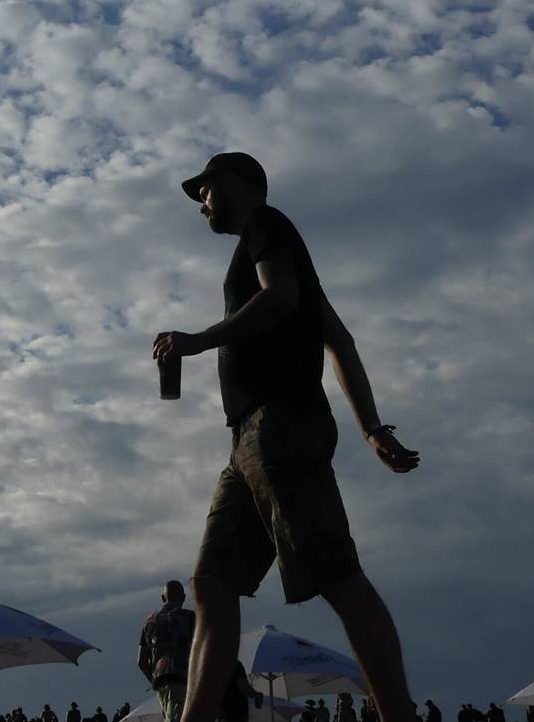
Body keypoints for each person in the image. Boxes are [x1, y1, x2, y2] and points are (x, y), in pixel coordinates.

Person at [153, 153, 421, 722]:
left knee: (336, 573)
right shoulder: (280, 248)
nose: (201, 205)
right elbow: (339, 339)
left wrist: (197, 341)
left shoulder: (266, 224)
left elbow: (279, 298)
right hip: (248, 441)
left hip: (280, 424)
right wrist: (371, 428)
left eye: (204, 191)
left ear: (235, 182)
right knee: (212, 583)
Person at [139, 581, 197, 722]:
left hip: (159, 679)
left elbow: (141, 661)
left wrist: (154, 680)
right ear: (183, 598)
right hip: (182, 677)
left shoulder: (149, 622)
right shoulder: (189, 617)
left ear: (163, 598)